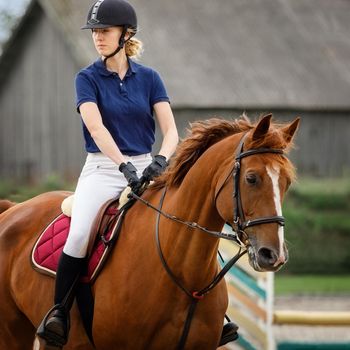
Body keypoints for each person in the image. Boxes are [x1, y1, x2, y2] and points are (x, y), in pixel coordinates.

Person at [36, 0, 237, 347]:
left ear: (126, 34)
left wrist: (160, 159)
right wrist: (123, 165)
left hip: (148, 165)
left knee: (186, 224)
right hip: (102, 168)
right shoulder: (86, 78)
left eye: (104, 31)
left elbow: (171, 130)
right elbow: (97, 129)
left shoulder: (149, 78)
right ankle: (59, 311)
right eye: (95, 32)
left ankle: (216, 312)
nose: (98, 38)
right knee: (80, 233)